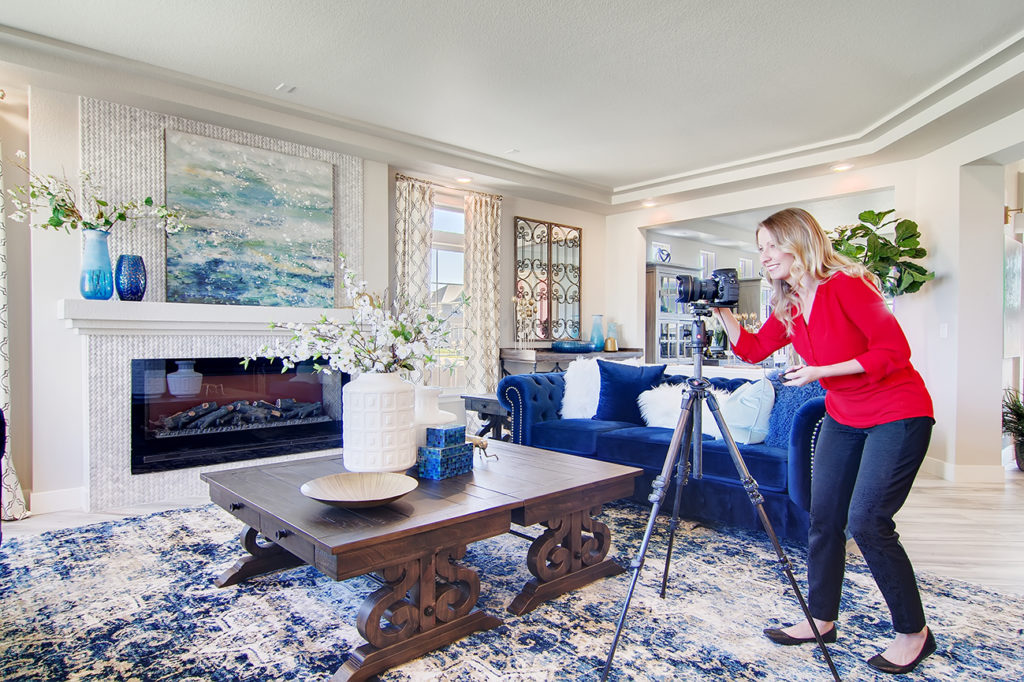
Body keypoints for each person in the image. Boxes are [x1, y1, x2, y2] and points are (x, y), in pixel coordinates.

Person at [711, 207, 937, 675]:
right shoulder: (791, 302)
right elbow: (752, 349)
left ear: (800, 241)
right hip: (844, 414)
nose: (765, 256)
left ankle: (914, 632)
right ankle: (821, 618)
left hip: (898, 411)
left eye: (773, 245)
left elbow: (894, 351)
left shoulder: (848, 286)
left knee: (869, 521)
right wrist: (722, 312)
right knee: (823, 517)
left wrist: (819, 372)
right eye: (760, 249)